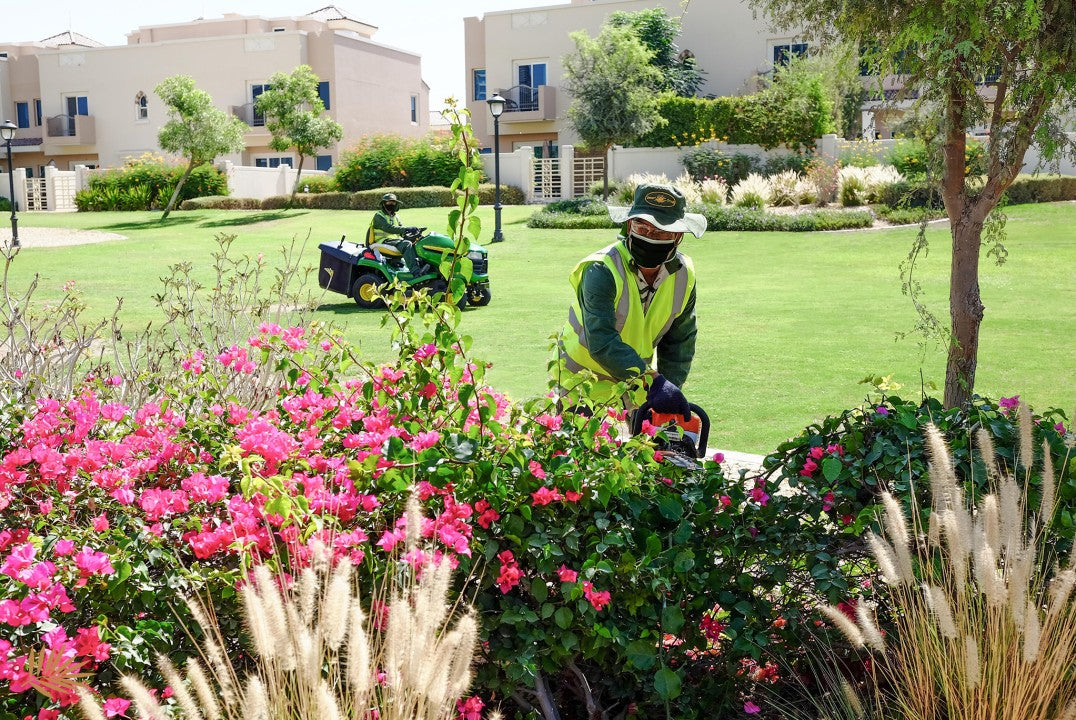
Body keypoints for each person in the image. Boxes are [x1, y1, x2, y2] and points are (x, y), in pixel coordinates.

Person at [554, 183, 706, 418]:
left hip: (637, 380)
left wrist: (669, 389)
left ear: (678, 237)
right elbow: (602, 341)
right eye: (642, 227)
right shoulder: (600, 269)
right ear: (628, 226)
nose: (650, 236)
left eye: (661, 232)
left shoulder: (684, 274)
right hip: (583, 380)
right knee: (580, 451)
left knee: (644, 451)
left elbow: (680, 342)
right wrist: (654, 382)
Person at [367, 193, 421, 272]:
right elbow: (389, 228)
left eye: (393, 202)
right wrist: (407, 229)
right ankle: (416, 271)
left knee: (417, 242)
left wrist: (413, 234)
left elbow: (401, 231)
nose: (391, 204)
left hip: (394, 241)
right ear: (384, 204)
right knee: (406, 245)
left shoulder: (396, 217)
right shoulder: (379, 216)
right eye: (388, 202)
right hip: (382, 241)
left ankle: (422, 266)